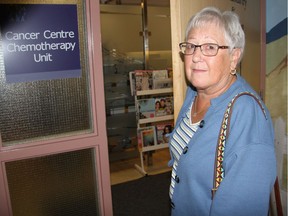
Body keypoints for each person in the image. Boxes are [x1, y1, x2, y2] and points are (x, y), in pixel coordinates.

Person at [167, 7, 276, 216]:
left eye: (209, 47)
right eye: (191, 46)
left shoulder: (247, 115)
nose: (196, 56)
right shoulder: (194, 93)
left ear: (234, 57)